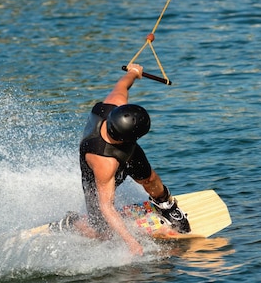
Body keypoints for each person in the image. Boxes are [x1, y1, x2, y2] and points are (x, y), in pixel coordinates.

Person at [52, 63, 190, 255]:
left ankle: (166, 205)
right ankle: (73, 222)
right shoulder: (103, 163)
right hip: (103, 158)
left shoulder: (113, 106)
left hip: (124, 147)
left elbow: (122, 85)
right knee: (103, 231)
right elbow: (106, 206)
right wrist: (130, 241)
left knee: (149, 179)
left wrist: (134, 72)